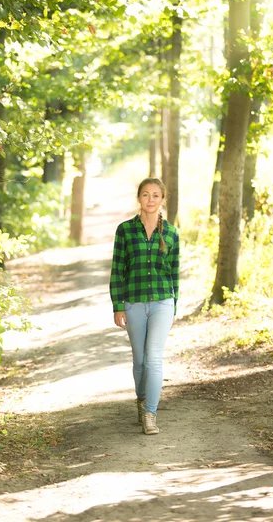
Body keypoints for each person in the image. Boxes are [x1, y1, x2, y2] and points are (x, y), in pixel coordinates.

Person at [110, 177, 180, 435]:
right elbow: (118, 270)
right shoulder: (125, 230)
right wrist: (118, 305)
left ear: (162, 200)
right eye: (146, 195)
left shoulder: (171, 233)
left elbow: (174, 274)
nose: (150, 200)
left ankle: (150, 413)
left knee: (153, 357)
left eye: (156, 196)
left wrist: (174, 307)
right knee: (139, 360)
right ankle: (141, 401)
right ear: (139, 198)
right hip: (134, 302)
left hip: (162, 301)